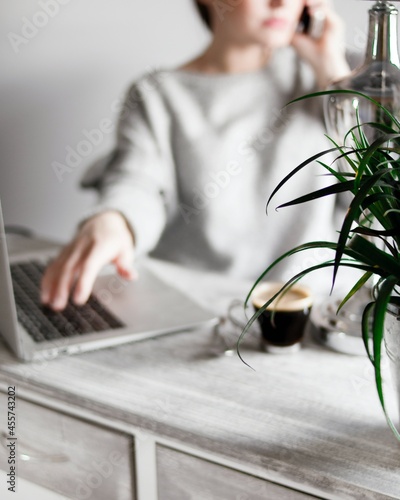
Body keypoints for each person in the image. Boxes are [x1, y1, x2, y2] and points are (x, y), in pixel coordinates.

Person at [41, 0, 350, 311]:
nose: (281, 3)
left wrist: (333, 74)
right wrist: (116, 219)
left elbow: (378, 197)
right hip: (192, 312)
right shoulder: (157, 93)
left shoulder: (331, 83)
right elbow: (137, 181)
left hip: (304, 317)